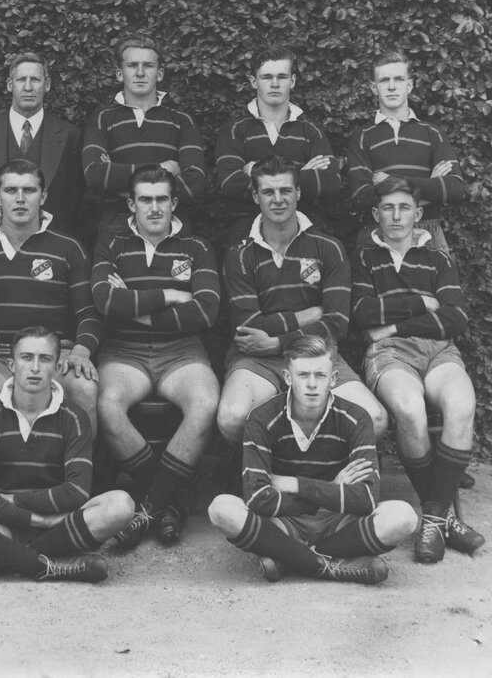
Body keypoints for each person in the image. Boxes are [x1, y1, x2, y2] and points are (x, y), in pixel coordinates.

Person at [0, 327, 134, 583]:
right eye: (26, 357)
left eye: (45, 359)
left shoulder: (74, 418)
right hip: (5, 523)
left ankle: (2, 559)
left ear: (56, 368)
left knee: (121, 505)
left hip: (59, 522)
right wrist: (37, 520)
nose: (35, 367)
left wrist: (13, 500)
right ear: (11, 365)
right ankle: (50, 566)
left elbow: (76, 493)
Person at [0, 159, 103, 477]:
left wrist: (82, 351)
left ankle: (79, 484)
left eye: (29, 190)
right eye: (11, 190)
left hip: (55, 357)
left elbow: (88, 314)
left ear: (43, 196)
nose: (20, 198)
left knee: (85, 388)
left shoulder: (69, 248)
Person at [208, 335, 418, 583]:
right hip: (284, 522)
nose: (311, 384)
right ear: (288, 377)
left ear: (333, 378)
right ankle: (324, 566)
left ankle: (289, 558)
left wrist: (295, 484)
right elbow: (257, 499)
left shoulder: (357, 418)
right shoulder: (261, 418)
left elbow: (366, 499)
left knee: (403, 517)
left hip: (338, 521)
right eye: (302, 375)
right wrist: (331, 489)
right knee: (221, 509)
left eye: (320, 375)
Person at [351, 177, 485, 562]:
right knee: (410, 409)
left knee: (461, 405)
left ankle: (433, 518)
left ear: (418, 213)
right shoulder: (363, 258)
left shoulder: (438, 258)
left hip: (438, 350)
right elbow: (361, 313)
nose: (396, 216)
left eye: (404, 208)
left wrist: (393, 324)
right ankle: (442, 519)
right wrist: (422, 303)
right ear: (376, 213)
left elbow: (456, 318)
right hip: (389, 353)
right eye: (388, 208)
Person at [217, 155, 388, 447]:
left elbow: (337, 323)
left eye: (285, 190)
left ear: (298, 192)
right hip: (257, 359)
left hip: (317, 352)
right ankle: (256, 471)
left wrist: (277, 342)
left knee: (374, 418)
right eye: (268, 192)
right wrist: (308, 315)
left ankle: (321, 473)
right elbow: (249, 326)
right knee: (233, 417)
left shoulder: (328, 247)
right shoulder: (239, 253)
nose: (278, 200)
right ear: (256, 196)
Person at [92, 166, 221, 548]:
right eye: (145, 199)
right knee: (107, 404)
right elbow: (105, 301)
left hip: (181, 350)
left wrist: (135, 307)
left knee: (205, 402)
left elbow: (206, 311)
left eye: (161, 199)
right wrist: (171, 295)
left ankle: (147, 507)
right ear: (131, 204)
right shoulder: (112, 244)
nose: (154, 208)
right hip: (124, 351)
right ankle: (168, 502)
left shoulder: (196, 247)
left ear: (174, 202)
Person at [82, 34, 206, 246]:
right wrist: (162, 169)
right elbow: (95, 176)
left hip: (171, 227)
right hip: (116, 228)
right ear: (120, 74)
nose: (140, 73)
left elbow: (196, 183)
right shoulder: (102, 118)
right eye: (132, 66)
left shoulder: (182, 121)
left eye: (148, 66)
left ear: (160, 73)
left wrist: (118, 175)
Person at [347, 50, 467, 256]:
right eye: (384, 80)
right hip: (378, 234)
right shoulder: (362, 136)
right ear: (374, 87)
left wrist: (391, 181)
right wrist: (430, 187)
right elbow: (361, 197)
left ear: (409, 85)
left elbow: (455, 188)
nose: (392, 86)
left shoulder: (433, 133)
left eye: (399, 79)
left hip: (428, 232)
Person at [215, 46, 339, 242]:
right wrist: (300, 174)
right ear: (254, 81)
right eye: (266, 77)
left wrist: (256, 171)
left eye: (282, 77)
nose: (275, 84)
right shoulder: (236, 130)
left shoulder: (310, 131)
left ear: (293, 81)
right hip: (247, 236)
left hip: (305, 233)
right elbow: (230, 184)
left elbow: (330, 183)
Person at [0, 52, 84, 235]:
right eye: (21, 80)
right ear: (9, 85)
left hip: (51, 241)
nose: (28, 87)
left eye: (35, 79)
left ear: (47, 84)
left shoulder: (70, 135)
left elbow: (73, 197)